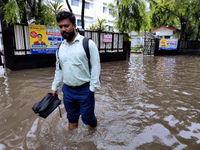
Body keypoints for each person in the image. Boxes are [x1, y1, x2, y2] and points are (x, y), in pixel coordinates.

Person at [51, 11, 101, 130]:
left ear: (74, 26)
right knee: (71, 118)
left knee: (88, 119)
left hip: (85, 90)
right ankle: (72, 145)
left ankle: (94, 130)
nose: (63, 29)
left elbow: (96, 67)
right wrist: (54, 87)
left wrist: (92, 89)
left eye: (66, 26)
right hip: (67, 90)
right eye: (61, 27)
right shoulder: (60, 48)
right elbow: (59, 70)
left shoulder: (88, 44)